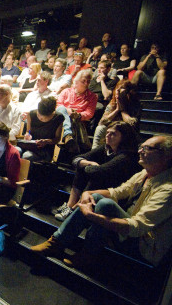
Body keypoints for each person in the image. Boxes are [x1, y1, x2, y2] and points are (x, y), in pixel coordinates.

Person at [31, 135, 172, 269]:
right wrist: (88, 193)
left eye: (147, 148)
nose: (140, 150)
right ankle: (56, 242)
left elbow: (136, 227)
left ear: (165, 155)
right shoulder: (144, 174)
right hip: (125, 230)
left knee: (106, 205)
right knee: (98, 199)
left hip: (143, 245)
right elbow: (117, 192)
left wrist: (93, 216)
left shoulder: (167, 190)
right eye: (142, 146)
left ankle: (87, 254)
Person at [53, 121, 141, 221]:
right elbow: (76, 159)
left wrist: (87, 167)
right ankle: (70, 206)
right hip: (104, 181)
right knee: (82, 169)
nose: (108, 135)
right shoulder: (106, 148)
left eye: (113, 134)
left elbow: (101, 171)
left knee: (95, 176)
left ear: (124, 137)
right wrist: (89, 164)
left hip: (116, 190)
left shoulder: (126, 156)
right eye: (107, 132)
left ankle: (74, 210)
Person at [56, 69, 97, 152]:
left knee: (72, 120)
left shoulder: (92, 96)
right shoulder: (66, 91)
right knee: (61, 109)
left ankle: (68, 138)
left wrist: (78, 115)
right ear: (76, 81)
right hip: (62, 116)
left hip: (77, 119)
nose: (86, 84)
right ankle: (68, 135)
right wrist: (67, 110)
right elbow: (58, 104)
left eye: (88, 81)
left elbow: (89, 113)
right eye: (83, 81)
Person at [92, 80, 141, 149]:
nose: (118, 90)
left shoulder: (135, 105)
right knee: (100, 128)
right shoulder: (112, 104)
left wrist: (122, 110)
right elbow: (102, 122)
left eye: (122, 88)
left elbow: (132, 124)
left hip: (127, 133)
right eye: (117, 88)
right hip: (113, 130)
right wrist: (116, 110)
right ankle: (94, 151)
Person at [22, 97, 63, 162]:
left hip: (45, 149)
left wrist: (46, 141)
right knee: (16, 151)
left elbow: (57, 139)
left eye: (44, 117)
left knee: (26, 156)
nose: (41, 118)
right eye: (39, 115)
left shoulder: (58, 118)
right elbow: (28, 131)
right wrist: (28, 134)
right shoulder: (31, 114)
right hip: (31, 145)